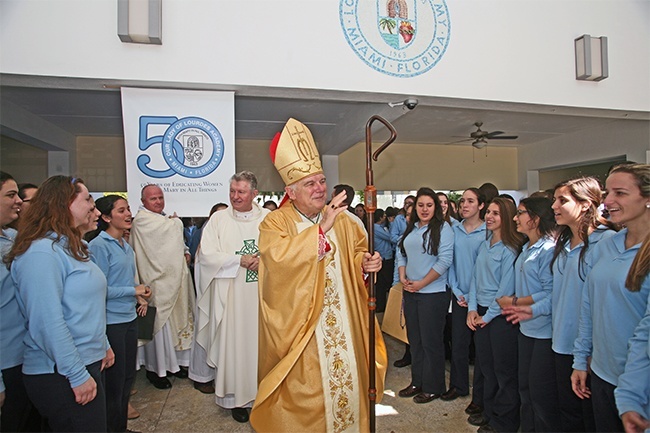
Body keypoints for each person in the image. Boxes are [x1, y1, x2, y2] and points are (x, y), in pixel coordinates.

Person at [251, 118, 387, 432]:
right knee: (308, 397)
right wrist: (321, 230)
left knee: (350, 388)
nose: (320, 189)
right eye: (310, 184)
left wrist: (367, 264)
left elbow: (356, 255)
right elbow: (277, 263)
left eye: (321, 181)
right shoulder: (275, 223)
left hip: (345, 326)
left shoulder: (348, 221)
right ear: (291, 191)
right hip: (303, 329)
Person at [504, 177, 615, 432]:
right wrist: (532, 309)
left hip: (587, 349)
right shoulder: (564, 244)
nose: (554, 206)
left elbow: (595, 305)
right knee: (563, 411)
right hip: (561, 341)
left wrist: (585, 352)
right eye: (554, 199)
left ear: (586, 205)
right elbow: (559, 295)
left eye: (562, 200)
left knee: (587, 418)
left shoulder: (605, 242)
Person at [7, 176, 113, 432]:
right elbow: (47, 322)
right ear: (63, 204)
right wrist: (76, 374)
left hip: (81, 362)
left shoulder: (72, 248)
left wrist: (103, 346)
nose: (95, 209)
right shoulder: (41, 253)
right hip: (59, 372)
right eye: (88, 199)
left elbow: (84, 307)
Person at [571, 163, 650, 432]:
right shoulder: (609, 243)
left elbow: (646, 332)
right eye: (607, 193)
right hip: (602, 373)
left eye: (620, 193)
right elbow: (589, 304)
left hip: (639, 387)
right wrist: (581, 359)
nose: (608, 201)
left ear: (647, 199)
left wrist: (631, 394)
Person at [193, 171, 269, 423]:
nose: (235, 197)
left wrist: (265, 260)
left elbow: (284, 251)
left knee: (261, 347)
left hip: (262, 298)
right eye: (232, 191)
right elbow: (206, 256)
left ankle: (263, 397)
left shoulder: (270, 219)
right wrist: (239, 260)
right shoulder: (218, 220)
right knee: (234, 345)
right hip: (230, 297)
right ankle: (235, 399)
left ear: (254, 194)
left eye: (241, 192)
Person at [88, 195, 151, 432]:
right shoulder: (98, 247)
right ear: (105, 217)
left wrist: (138, 295)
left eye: (128, 210)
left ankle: (120, 427)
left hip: (128, 318)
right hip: (111, 322)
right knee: (114, 385)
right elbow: (98, 289)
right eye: (121, 210)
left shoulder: (125, 246)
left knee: (126, 380)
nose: (128, 215)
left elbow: (122, 281)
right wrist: (132, 290)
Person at [500, 196, 560, 432]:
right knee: (525, 388)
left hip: (543, 331)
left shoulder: (548, 250)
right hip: (526, 329)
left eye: (521, 213)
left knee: (540, 395)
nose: (515, 218)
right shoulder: (527, 248)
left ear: (535, 219)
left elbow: (550, 292)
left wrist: (516, 302)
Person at [467, 198, 524, 433]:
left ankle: (504, 423)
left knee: (504, 373)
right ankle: (489, 413)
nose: (489, 216)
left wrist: (487, 317)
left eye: (496, 214)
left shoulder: (511, 249)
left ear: (508, 218)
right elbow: (474, 279)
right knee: (487, 370)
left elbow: (504, 290)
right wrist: (472, 309)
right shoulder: (485, 243)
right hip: (480, 313)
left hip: (499, 318)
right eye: (488, 212)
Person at [130, 184, 195, 389]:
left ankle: (177, 364)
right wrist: (175, 223)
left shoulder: (163, 218)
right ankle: (155, 369)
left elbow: (175, 244)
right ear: (143, 202)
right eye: (153, 199)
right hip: (156, 283)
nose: (158, 202)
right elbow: (167, 235)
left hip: (176, 280)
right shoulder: (142, 222)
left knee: (178, 321)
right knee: (160, 327)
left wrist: (185, 252)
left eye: (160, 197)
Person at [396, 187, 454, 404]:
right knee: (415, 341)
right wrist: (403, 277)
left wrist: (421, 283)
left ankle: (434, 387)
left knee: (431, 342)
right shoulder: (412, 229)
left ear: (436, 207)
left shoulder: (443, 228)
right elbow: (402, 253)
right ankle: (417, 382)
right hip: (411, 292)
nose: (425, 209)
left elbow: (444, 261)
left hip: (433, 294)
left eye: (429, 205)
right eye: (420, 205)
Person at [0, 172, 41, 432]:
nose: (18, 202)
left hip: (26, 354)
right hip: (5, 362)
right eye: (10, 195)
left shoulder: (12, 239)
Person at [445, 188, 486, 420]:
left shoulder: (488, 231)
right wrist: (458, 292)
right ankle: (458, 386)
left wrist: (472, 296)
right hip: (459, 295)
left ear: (481, 206)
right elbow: (449, 262)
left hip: (480, 298)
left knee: (481, 351)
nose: (464, 205)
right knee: (458, 344)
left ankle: (479, 397)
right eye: (462, 201)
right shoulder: (455, 229)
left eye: (470, 201)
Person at [390, 196, 415, 368]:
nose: (408, 219)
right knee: (407, 324)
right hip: (405, 285)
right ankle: (409, 354)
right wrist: (396, 285)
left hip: (424, 287)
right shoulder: (402, 239)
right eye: (407, 215)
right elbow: (399, 263)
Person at [373, 208, 394, 313]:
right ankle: (381, 306)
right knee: (382, 284)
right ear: (380, 217)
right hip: (383, 257)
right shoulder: (376, 228)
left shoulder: (381, 227)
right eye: (384, 216)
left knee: (383, 284)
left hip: (386, 257)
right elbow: (390, 237)